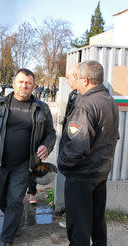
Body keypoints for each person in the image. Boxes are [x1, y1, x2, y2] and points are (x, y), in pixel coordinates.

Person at [0, 69, 56, 246]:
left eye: (28, 83)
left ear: (33, 86)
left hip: (24, 164)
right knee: (0, 197)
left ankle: (7, 239)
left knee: (14, 200)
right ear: (14, 83)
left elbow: (51, 133)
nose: (24, 86)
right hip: (0, 162)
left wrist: (47, 145)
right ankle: (15, 220)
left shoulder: (41, 108)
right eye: (21, 82)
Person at [54, 61, 119, 246]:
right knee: (97, 218)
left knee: (79, 223)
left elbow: (77, 146)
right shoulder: (109, 100)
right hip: (100, 171)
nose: (74, 81)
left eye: (76, 77)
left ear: (86, 80)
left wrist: (62, 164)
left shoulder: (86, 104)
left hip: (82, 175)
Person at [58, 64, 81, 229]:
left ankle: (73, 222)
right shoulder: (74, 94)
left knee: (76, 194)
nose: (67, 80)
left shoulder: (85, 99)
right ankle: (71, 219)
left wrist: (68, 160)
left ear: (78, 76)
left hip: (77, 159)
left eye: (69, 77)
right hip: (68, 149)